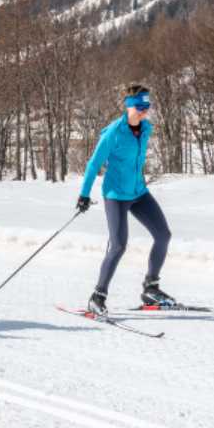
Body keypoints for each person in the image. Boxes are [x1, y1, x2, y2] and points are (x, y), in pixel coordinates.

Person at [76, 84, 176, 316]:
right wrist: (84, 194)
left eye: (147, 106)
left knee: (163, 235)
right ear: (129, 107)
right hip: (116, 196)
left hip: (139, 193)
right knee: (119, 245)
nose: (144, 111)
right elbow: (93, 164)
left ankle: (151, 288)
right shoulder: (113, 133)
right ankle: (97, 296)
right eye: (140, 107)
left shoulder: (146, 128)